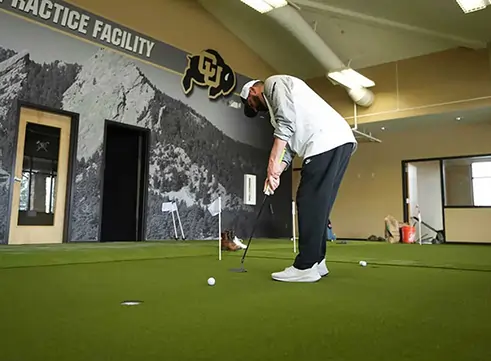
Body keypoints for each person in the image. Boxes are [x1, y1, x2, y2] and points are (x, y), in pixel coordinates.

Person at [240, 75, 357, 283]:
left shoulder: (273, 84)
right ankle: (317, 261)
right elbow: (290, 148)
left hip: (324, 140)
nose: (255, 109)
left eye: (252, 105)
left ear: (252, 92)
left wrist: (271, 165)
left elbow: (285, 126)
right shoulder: (277, 113)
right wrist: (276, 174)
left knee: (308, 201)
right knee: (319, 205)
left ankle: (305, 266)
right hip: (339, 141)